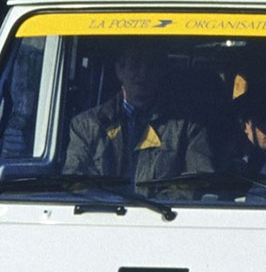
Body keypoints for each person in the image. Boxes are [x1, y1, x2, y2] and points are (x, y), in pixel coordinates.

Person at [63, 41, 216, 186]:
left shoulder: (188, 127)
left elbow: (197, 182)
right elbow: (77, 184)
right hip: (104, 213)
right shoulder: (86, 125)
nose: (143, 73)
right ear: (119, 71)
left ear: (161, 72)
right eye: (135, 65)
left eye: (151, 66)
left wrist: (158, 206)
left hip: (166, 212)